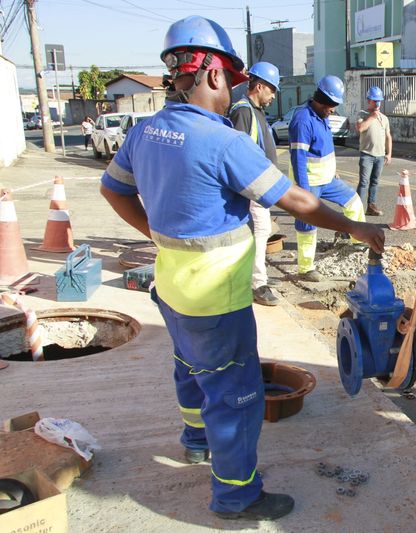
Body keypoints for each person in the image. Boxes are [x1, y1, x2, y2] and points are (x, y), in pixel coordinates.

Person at [99, 16, 384, 521]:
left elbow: (113, 190)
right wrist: (356, 227)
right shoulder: (223, 141)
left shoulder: (145, 132)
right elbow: (296, 199)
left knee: (189, 365)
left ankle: (194, 441)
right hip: (216, 297)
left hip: (172, 288)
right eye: (232, 79)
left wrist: (157, 235)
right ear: (212, 75)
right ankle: (236, 494)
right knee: (236, 396)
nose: (235, 89)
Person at [289, 75, 366, 282]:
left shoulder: (322, 117)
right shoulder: (303, 120)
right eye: (332, 104)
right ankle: (305, 268)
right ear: (321, 99)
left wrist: (332, 170)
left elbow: (324, 149)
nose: (333, 109)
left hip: (328, 180)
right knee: (307, 224)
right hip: (309, 182)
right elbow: (298, 157)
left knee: (354, 201)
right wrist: (303, 190)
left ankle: (356, 241)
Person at [229, 61, 282, 306]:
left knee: (261, 232)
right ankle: (257, 284)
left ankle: (254, 278)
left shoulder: (256, 111)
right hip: (252, 187)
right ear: (259, 86)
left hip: (261, 186)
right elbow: (239, 154)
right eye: (271, 90)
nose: (273, 96)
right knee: (260, 231)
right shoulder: (243, 111)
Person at [355, 86, 392, 216]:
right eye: (374, 100)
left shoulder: (384, 118)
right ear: (369, 100)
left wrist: (389, 153)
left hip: (380, 155)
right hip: (367, 154)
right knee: (364, 182)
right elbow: (360, 128)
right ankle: (358, 208)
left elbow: (388, 136)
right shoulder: (362, 114)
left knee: (375, 181)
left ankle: (371, 206)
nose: (377, 103)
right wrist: (372, 117)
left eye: (379, 101)